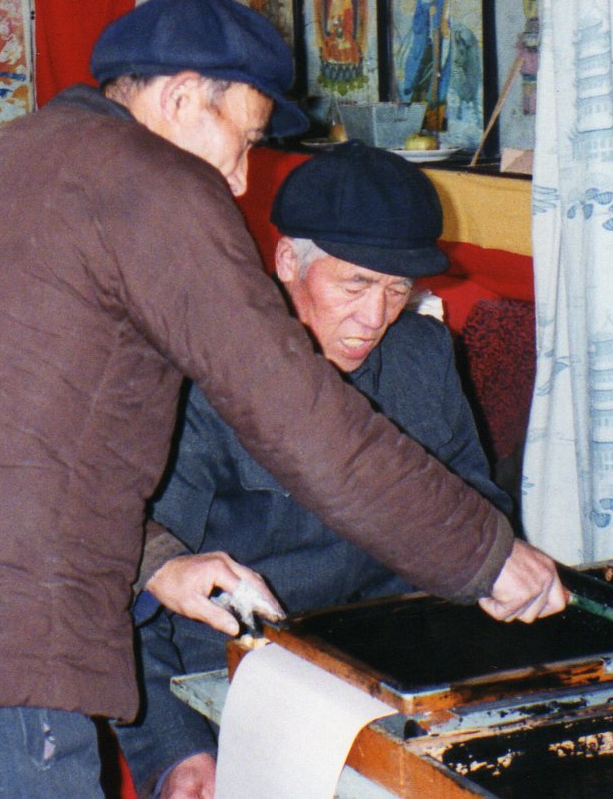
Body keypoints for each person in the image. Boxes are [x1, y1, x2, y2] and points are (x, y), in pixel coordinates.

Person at [0, 0, 567, 798]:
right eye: (244, 139)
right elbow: (299, 415)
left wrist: (157, 562)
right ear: (184, 98)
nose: (239, 181)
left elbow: (0, 441)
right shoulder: (151, 182)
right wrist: (483, 554)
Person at [116, 142, 514, 799]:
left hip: (391, 683)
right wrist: (178, 752)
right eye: (355, 285)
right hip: (236, 689)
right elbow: (133, 587)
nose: (375, 318)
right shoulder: (199, 380)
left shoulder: (421, 355)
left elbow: (479, 516)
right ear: (286, 264)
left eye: (397, 289)